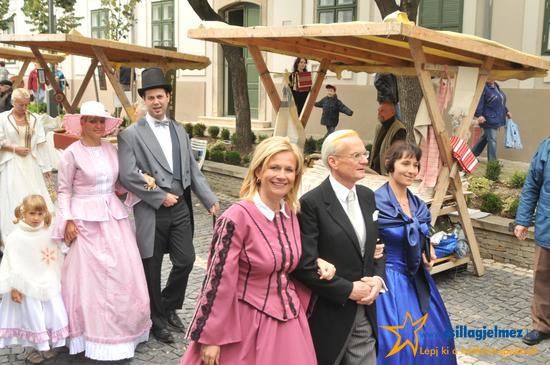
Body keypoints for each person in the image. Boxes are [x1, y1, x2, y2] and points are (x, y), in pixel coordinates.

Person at [181, 136, 337, 365]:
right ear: (258, 172)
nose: (281, 175)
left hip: (289, 323)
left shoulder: (291, 214)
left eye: (288, 170)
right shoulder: (236, 218)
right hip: (245, 324)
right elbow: (217, 280)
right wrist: (211, 337)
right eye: (274, 167)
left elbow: (282, 254)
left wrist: (316, 260)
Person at [118, 67, 220, 344]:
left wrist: (210, 200)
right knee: (151, 267)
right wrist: (159, 196)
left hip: (181, 208)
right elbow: (127, 175)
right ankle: (157, 321)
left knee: (185, 260)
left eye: (160, 96)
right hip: (151, 210)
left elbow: (193, 172)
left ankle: (169, 304)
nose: (156, 102)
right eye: (150, 97)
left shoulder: (179, 130)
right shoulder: (130, 135)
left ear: (168, 97)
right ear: (144, 100)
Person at [52, 100, 151, 360]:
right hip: (84, 220)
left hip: (112, 218)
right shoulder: (71, 153)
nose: (98, 125)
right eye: (92, 120)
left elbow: (119, 183)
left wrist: (143, 179)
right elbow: (64, 190)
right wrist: (68, 220)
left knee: (121, 274)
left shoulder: (111, 150)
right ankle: (86, 335)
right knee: (87, 281)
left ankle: (120, 333)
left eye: (101, 121)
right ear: (82, 123)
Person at [293, 129, 386, 365]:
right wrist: (347, 289)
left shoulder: (367, 196)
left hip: (364, 312)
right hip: (327, 316)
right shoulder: (311, 203)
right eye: (356, 156)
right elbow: (304, 264)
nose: (365, 160)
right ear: (333, 162)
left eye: (364, 154)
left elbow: (376, 248)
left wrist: (377, 280)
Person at [374, 141, 457, 364]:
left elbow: (422, 237)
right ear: (389, 163)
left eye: (416, 165)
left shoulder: (418, 205)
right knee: (396, 340)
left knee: (435, 338)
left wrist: (427, 248)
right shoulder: (375, 202)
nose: (411, 170)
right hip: (387, 281)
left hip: (418, 277)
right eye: (405, 163)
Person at [0, 195, 68, 364]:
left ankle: (52, 345)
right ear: (23, 213)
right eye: (32, 213)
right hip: (26, 286)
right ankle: (38, 347)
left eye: (40, 213)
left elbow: (59, 250)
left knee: (53, 314)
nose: (36, 218)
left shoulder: (48, 231)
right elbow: (11, 263)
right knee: (32, 317)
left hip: (49, 280)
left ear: (45, 212)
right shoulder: (15, 237)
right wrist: (15, 287)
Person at [0, 88, 54, 242]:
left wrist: (46, 167)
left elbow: (42, 145)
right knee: (13, 195)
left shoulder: (35, 119)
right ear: (13, 103)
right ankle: (12, 235)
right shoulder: (3, 118)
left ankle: (40, 232)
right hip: (12, 163)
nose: (24, 108)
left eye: (26, 105)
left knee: (34, 192)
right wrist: (14, 148)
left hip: (31, 163)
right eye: (20, 105)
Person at [514, 137, 550, 346]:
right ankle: (542, 326)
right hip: (547, 226)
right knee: (543, 278)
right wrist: (523, 220)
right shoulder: (546, 146)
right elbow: (532, 185)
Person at [471, 80, 511, 161]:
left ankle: (470, 156)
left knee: (486, 138)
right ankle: (493, 163)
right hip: (488, 118)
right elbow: (479, 102)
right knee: (492, 140)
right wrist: (479, 115)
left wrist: (506, 111)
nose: (492, 78)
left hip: (496, 118)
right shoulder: (484, 87)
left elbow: (500, 102)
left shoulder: (496, 87)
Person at [370, 101, 407, 175]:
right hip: (374, 170)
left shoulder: (399, 129)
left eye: (382, 111)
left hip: (386, 172)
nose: (379, 113)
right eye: (379, 111)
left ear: (392, 112)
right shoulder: (379, 127)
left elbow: (397, 153)